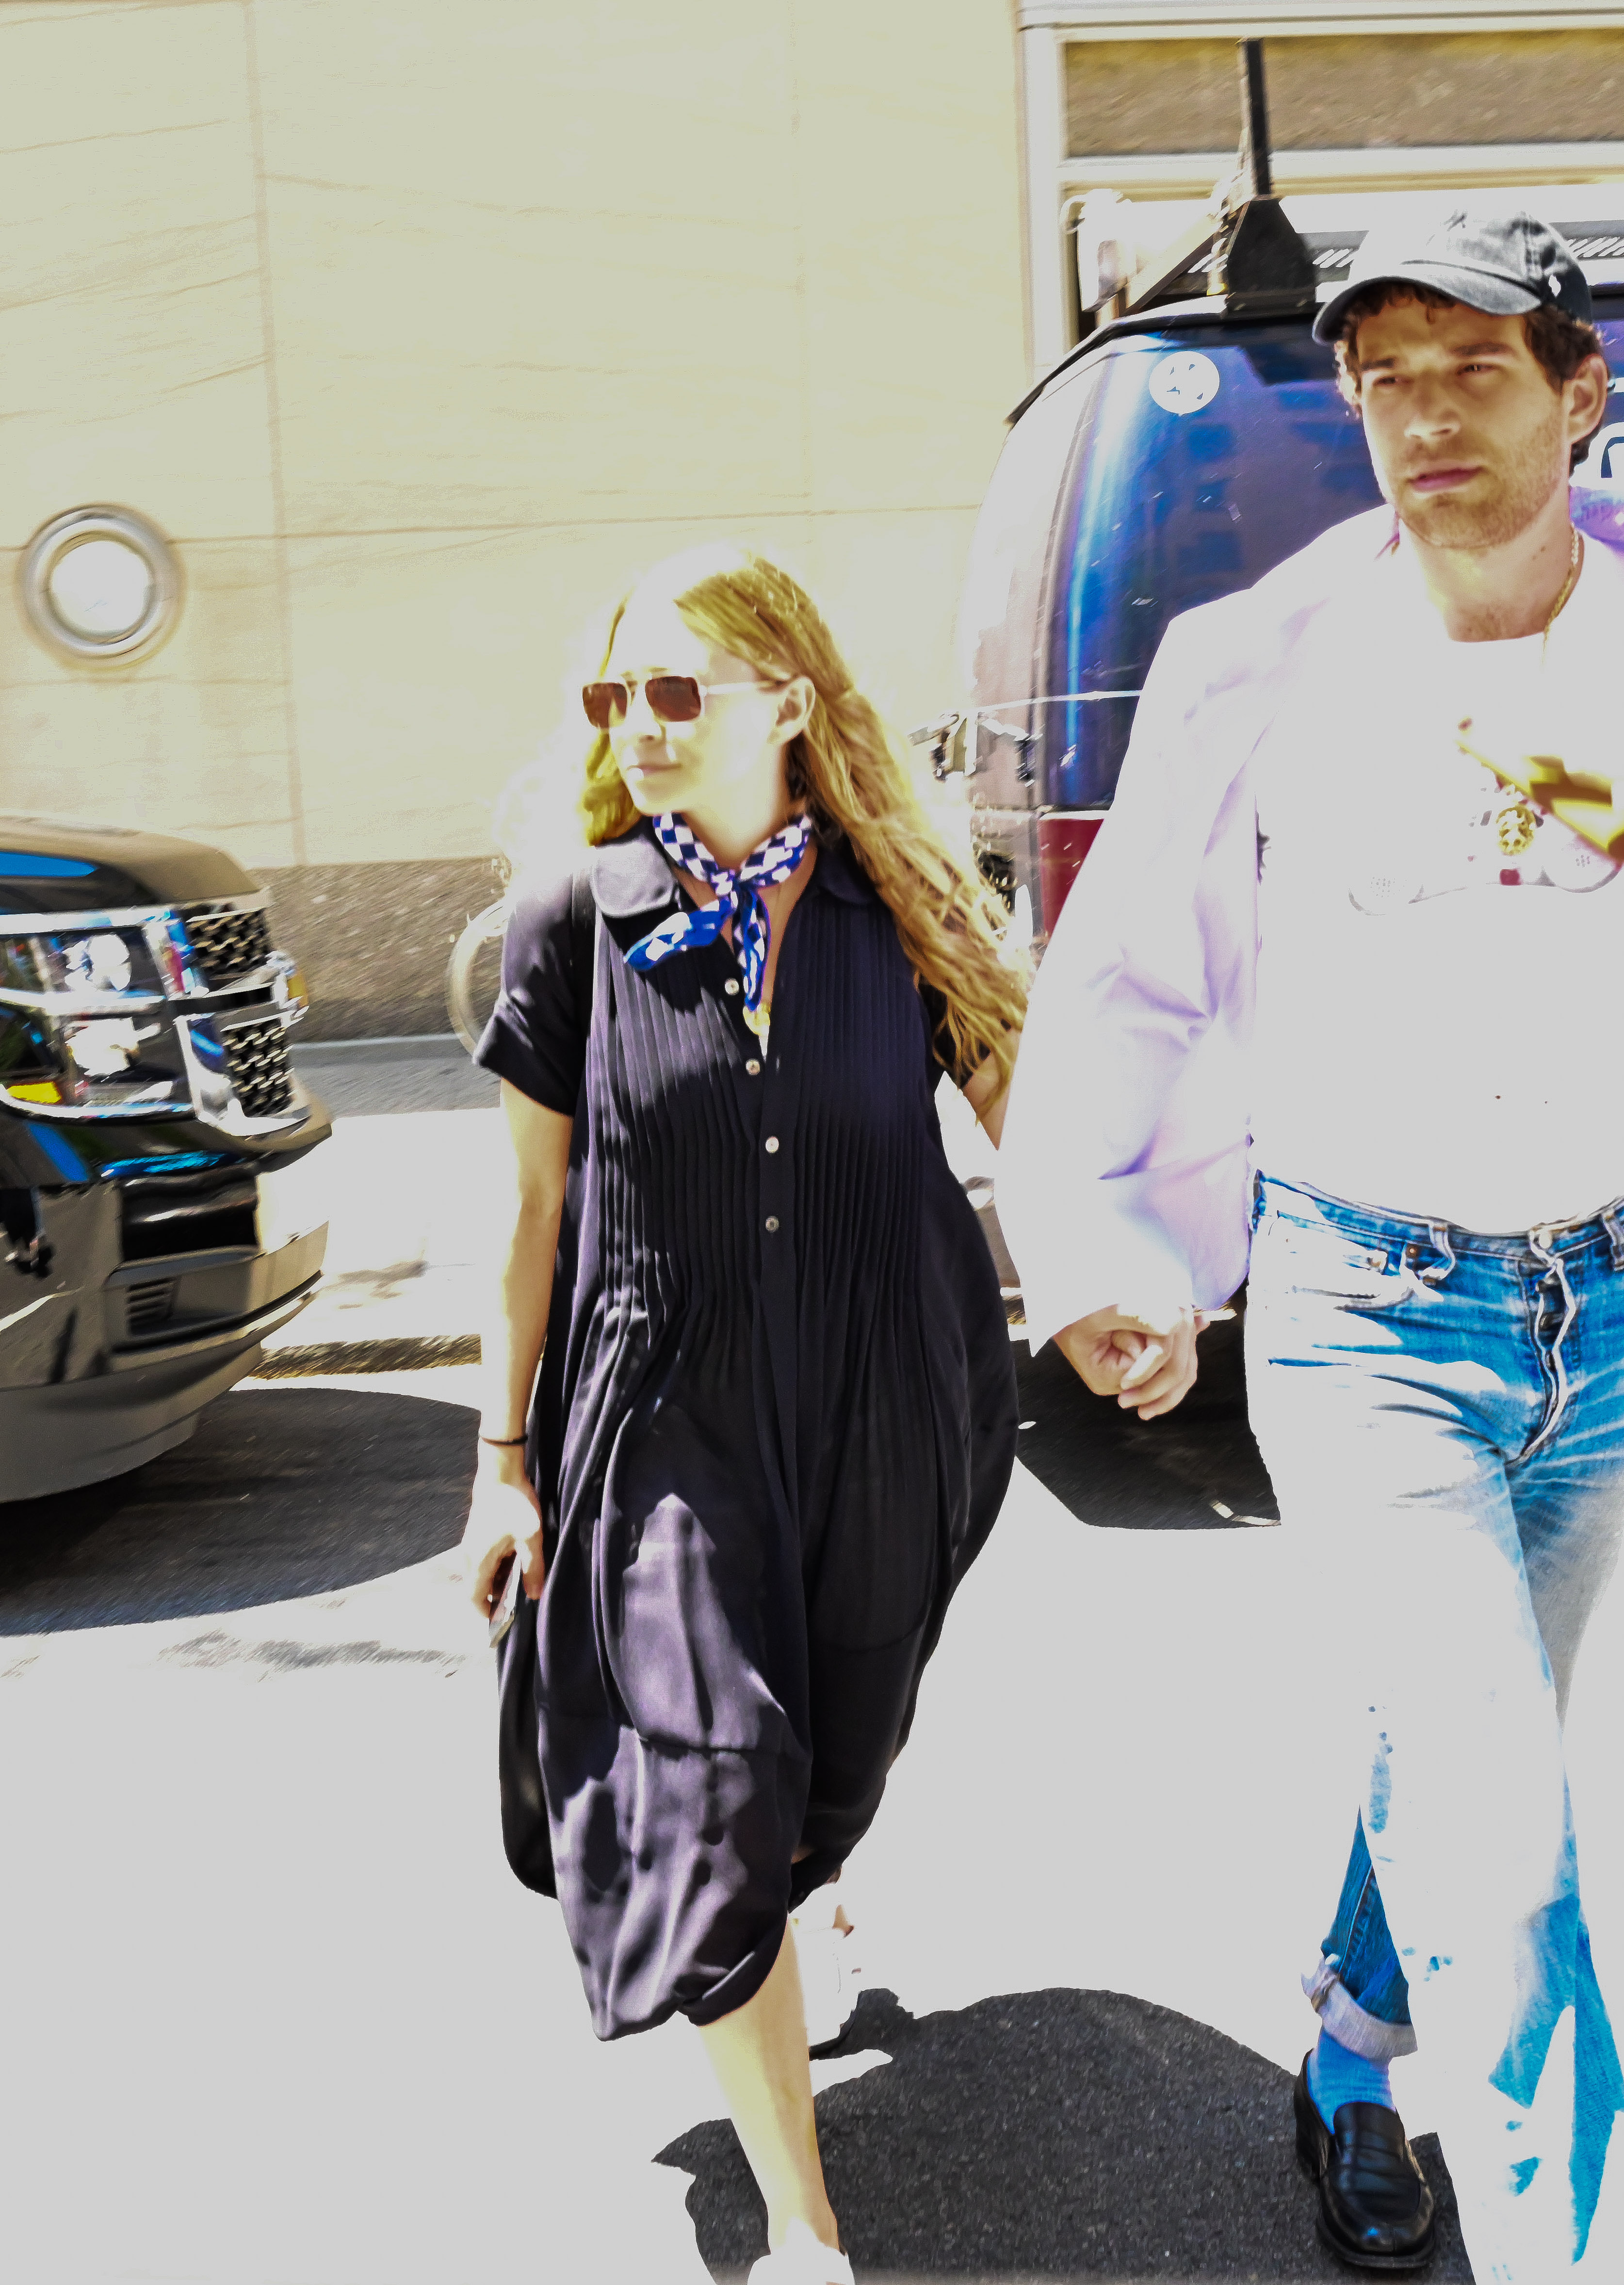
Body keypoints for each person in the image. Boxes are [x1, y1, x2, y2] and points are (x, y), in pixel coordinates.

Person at [994, 210, 1624, 2280]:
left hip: (1614, 1298)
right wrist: (1096, 1248)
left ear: (1578, 388)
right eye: (1386, 377)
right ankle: (1587, 2252)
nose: (1424, 415)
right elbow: (1125, 984)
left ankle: (1351, 2047)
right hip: (1364, 1316)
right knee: (1504, 1827)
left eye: (1474, 369)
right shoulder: (1261, 663)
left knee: (1473, 1754)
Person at [458, 543, 1023, 2285]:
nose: (636, 724)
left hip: (890, 1397)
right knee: (711, 1791)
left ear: (788, 696)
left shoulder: (898, 903)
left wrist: (1115, 1297)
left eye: (676, 690)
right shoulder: (579, 920)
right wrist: (498, 1466)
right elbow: (534, 1212)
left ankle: (805, 1885)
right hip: (663, 1420)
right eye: (611, 696)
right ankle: (803, 2226)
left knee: (824, 1763)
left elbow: (1039, 1120)